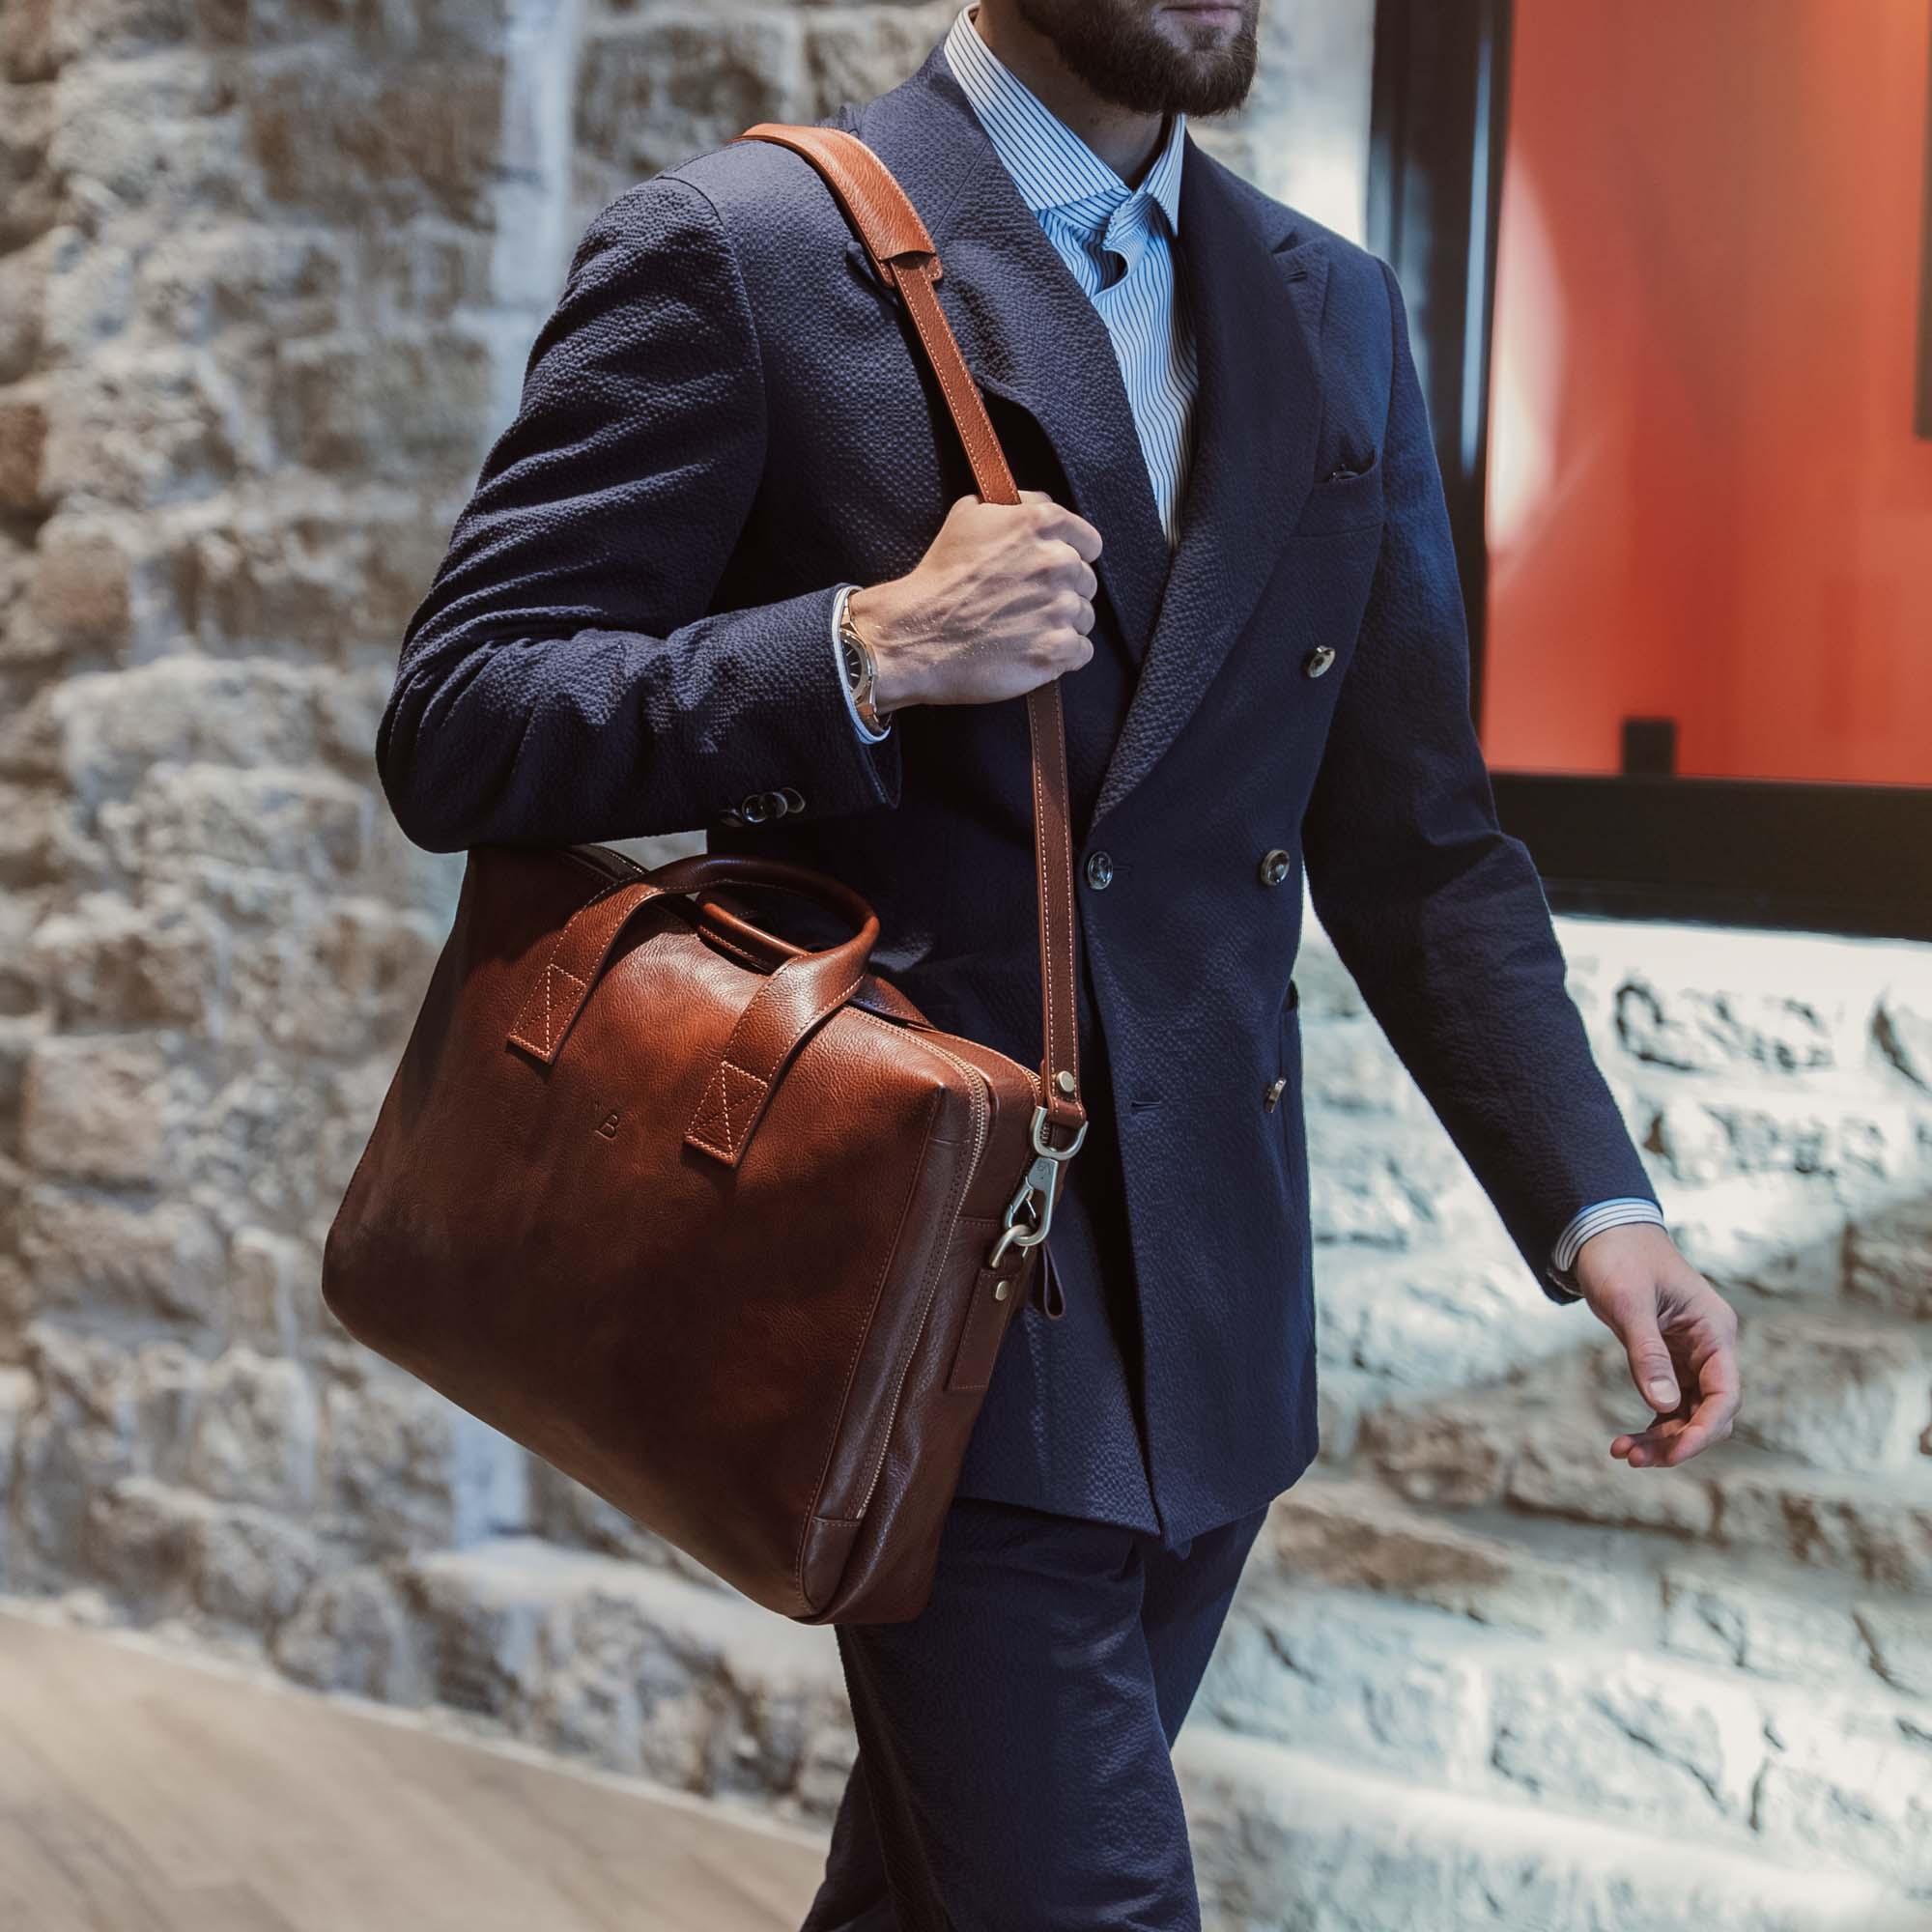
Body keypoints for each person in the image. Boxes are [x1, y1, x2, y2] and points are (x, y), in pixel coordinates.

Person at [376, 1, 1746, 1923]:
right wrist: (859, 650)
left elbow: (1416, 842)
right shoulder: (748, 253)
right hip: (929, 1302)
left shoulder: (1331, 306)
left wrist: (1598, 1205)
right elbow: (462, 721)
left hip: (1218, 1333)